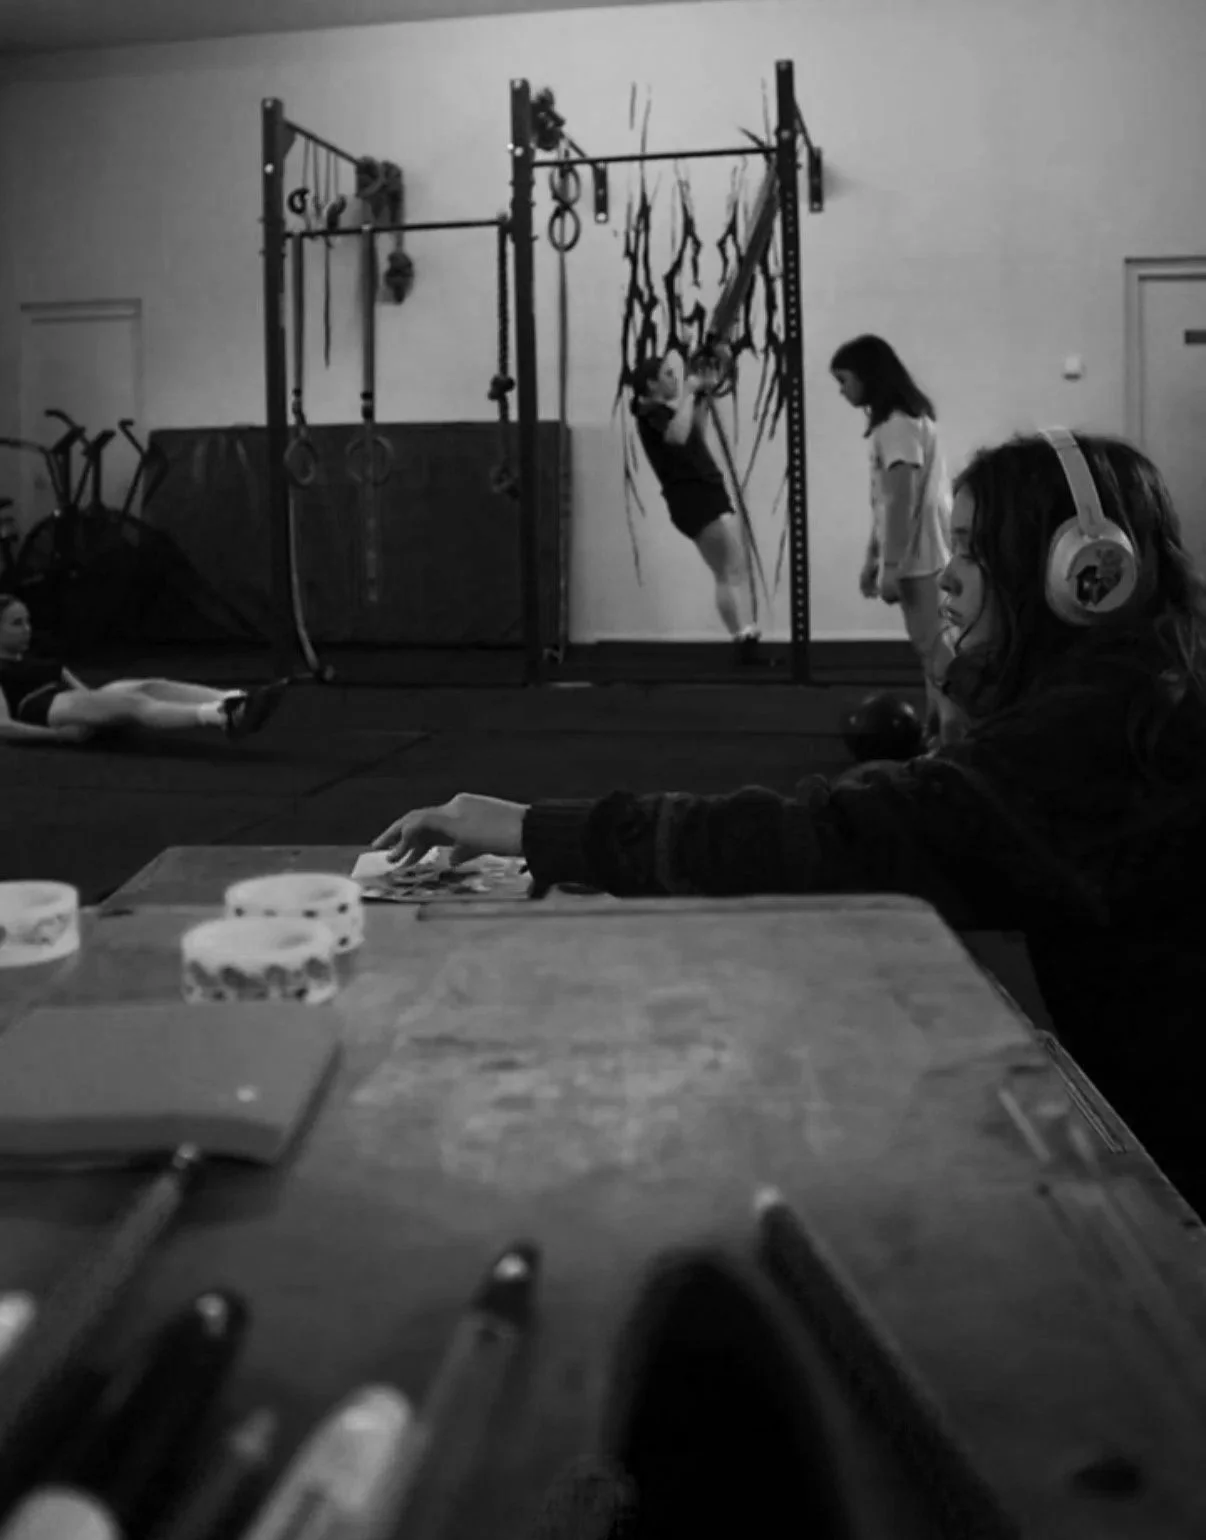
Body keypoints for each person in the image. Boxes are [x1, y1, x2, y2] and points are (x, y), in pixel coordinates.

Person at [371, 431, 1206, 1211]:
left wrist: (535, 829)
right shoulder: (1145, 689)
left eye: (976, 552)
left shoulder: (1082, 742)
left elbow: (829, 837)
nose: (950, 577)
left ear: (1085, 575)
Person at [831, 335, 952, 743]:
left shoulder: (898, 425)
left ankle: (949, 738)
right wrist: (873, 557)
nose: (842, 390)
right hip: (921, 552)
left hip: (923, 556)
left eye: (844, 380)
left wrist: (893, 566)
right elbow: (886, 502)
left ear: (868, 376)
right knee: (931, 648)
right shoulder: (899, 423)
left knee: (936, 649)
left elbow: (903, 496)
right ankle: (939, 734)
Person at [0, 593, 288, 745]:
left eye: (27, 621)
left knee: (150, 685)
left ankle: (236, 698)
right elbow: (3, 726)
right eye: (17, 623)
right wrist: (58, 737)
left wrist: (96, 708)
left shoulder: (30, 658)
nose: (27, 629)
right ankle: (220, 716)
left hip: (73, 702)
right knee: (134, 702)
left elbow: (64, 675)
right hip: (46, 708)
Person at [630, 353, 762, 664]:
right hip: (693, 498)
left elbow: (693, 433)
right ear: (651, 384)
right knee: (726, 568)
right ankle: (741, 636)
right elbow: (677, 437)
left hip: (703, 492)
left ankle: (744, 634)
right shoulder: (650, 412)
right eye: (667, 374)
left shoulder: (664, 412)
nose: (675, 379)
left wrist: (701, 396)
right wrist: (689, 392)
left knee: (732, 566)